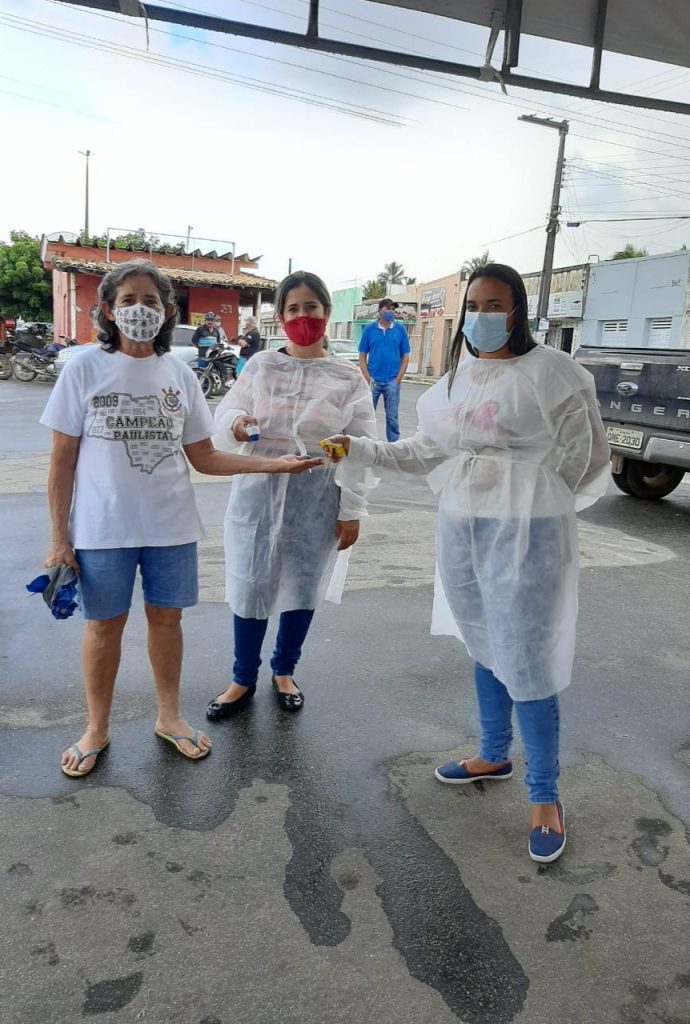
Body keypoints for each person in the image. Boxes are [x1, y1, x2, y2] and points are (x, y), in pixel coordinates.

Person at [324, 263, 610, 864]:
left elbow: (584, 454)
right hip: (463, 523)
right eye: (473, 305)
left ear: (517, 310)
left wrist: (529, 492)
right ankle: (493, 753)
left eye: (494, 304)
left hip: (529, 528)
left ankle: (544, 796)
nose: (481, 315)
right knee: (483, 640)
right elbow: (426, 450)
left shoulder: (552, 372)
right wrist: (360, 447)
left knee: (527, 655)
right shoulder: (458, 379)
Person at [40, 260, 321, 778]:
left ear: (167, 312)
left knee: (167, 621)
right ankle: (96, 728)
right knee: (103, 627)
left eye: (150, 301)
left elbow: (205, 457)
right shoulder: (83, 368)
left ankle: (168, 716)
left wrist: (273, 465)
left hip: (170, 527)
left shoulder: (179, 375)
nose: (140, 310)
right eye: (128, 300)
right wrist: (59, 538)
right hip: (102, 529)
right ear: (108, 310)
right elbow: (61, 462)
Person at [206, 270, 377, 720]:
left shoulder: (348, 378)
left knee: (302, 585)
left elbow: (362, 448)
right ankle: (242, 678)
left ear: (327, 312)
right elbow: (229, 409)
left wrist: (352, 508)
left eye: (311, 307)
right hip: (257, 493)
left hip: (315, 499)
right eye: (294, 309)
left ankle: (284, 671)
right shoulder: (262, 365)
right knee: (251, 583)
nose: (303, 316)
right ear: (280, 317)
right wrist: (237, 423)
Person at [358, 297, 410, 442]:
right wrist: (367, 377)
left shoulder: (399, 330)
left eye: (393, 309)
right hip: (373, 380)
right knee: (367, 415)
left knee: (392, 417)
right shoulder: (369, 330)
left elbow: (405, 356)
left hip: (392, 381)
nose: (391, 312)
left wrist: (398, 379)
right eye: (388, 309)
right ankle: (366, 443)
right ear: (380, 311)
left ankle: (393, 446)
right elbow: (362, 355)